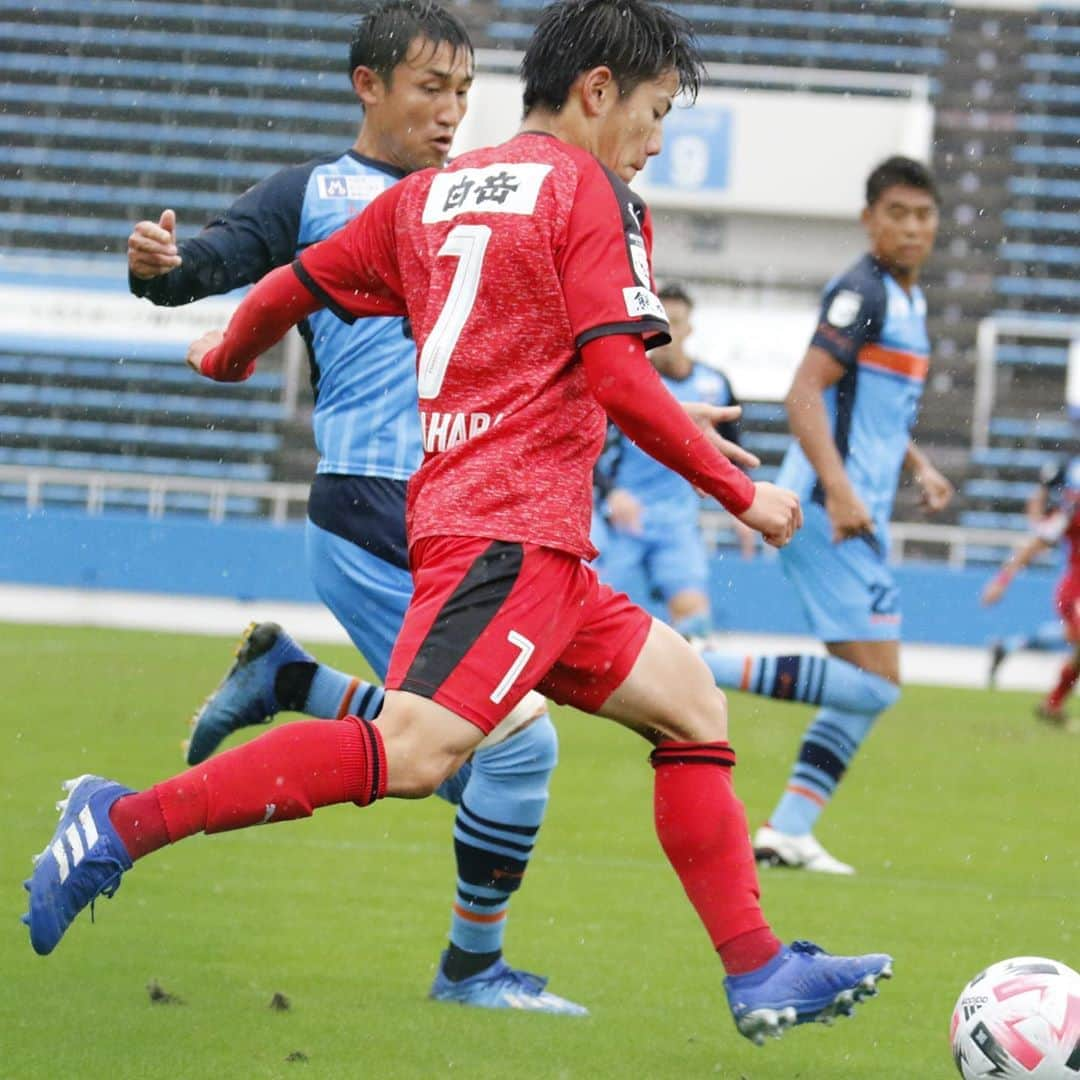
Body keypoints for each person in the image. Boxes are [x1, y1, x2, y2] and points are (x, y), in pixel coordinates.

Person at [26, 0, 892, 1045]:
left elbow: (300, 284)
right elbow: (617, 368)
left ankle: (758, 970)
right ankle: (121, 822)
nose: (658, 142)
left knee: (690, 701)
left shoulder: (431, 196)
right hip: (508, 537)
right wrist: (735, 488)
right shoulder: (591, 191)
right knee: (419, 751)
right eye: (657, 113)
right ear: (599, 90)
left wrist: (230, 352)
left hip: (515, 537)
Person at [126, 0, 584, 1014]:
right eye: (431, 88)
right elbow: (208, 266)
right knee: (506, 752)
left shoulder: (479, 196)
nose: (452, 112)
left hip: (464, 504)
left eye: (465, 91)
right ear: (366, 86)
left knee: (473, 756)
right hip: (378, 499)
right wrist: (160, 272)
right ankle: (470, 973)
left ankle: (294, 683)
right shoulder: (316, 196)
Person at [697, 157, 954, 875]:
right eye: (896, 213)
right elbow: (805, 392)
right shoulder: (861, 290)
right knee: (877, 682)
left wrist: (915, 466)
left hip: (850, 508)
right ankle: (696, 664)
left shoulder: (909, 299)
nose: (910, 226)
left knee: (864, 689)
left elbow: (871, 408)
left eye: (921, 214)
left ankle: (788, 831)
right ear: (870, 219)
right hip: (826, 508)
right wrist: (839, 491)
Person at [594, 282, 753, 641]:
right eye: (660, 323)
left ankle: (688, 693)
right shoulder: (626, 382)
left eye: (676, 323)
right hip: (622, 523)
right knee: (581, 616)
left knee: (696, 626)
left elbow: (732, 448)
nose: (667, 333)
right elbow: (586, 447)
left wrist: (740, 506)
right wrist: (612, 493)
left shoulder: (714, 384)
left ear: (689, 328)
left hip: (677, 525)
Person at [982, 456, 1080, 727]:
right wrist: (1002, 580)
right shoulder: (1071, 510)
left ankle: (1052, 704)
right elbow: (1035, 543)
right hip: (1076, 590)